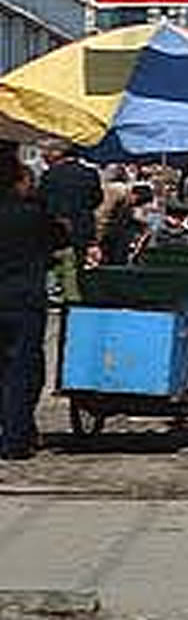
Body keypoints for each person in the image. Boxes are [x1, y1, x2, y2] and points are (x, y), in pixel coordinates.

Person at [0, 148, 67, 458]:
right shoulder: (32, 213)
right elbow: (59, 239)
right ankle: (16, 437)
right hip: (24, 300)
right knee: (24, 370)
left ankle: (16, 430)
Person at [38, 140, 102, 285]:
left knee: (54, 268)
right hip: (83, 227)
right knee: (79, 268)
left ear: (58, 153)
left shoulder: (50, 175)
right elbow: (97, 199)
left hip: (55, 228)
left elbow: (42, 202)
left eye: (47, 151)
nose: (44, 155)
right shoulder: (90, 173)